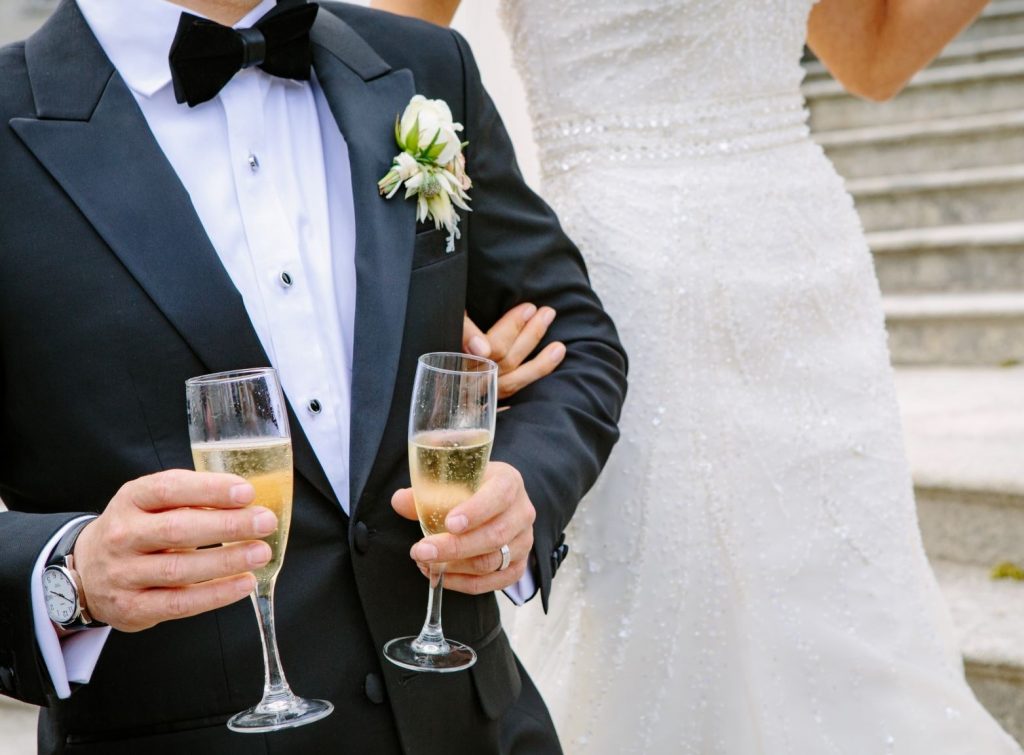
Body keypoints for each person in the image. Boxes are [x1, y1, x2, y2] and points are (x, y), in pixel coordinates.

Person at [373, 0, 1024, 752]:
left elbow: (869, 59)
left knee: (847, 608)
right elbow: (382, 59)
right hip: (631, 284)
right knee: (669, 612)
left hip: (812, 287)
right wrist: (438, 290)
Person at [0, 1, 627, 753]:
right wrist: (69, 575)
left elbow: (575, 340)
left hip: (477, 728)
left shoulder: (424, 65)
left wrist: (524, 486)